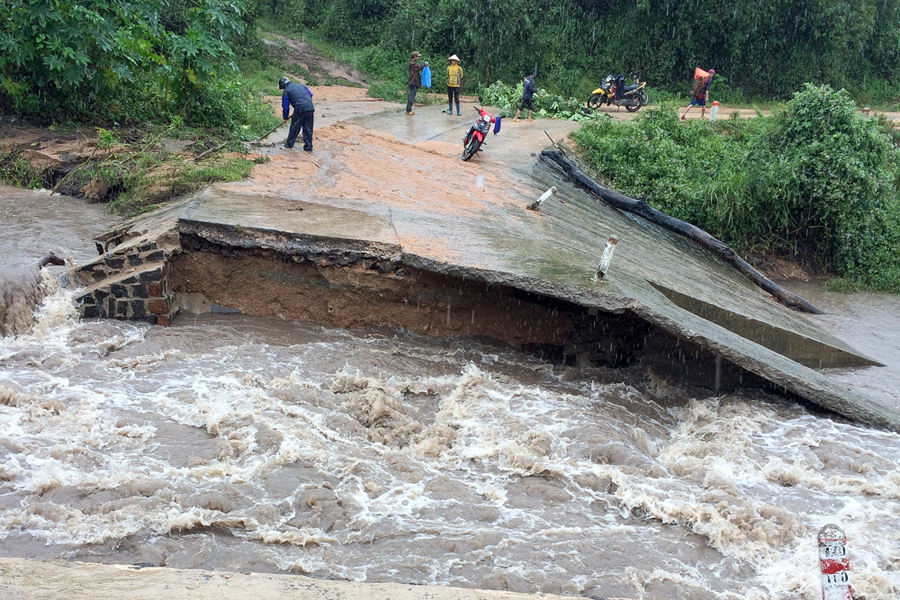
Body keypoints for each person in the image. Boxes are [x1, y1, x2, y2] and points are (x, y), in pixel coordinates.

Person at [280, 76, 315, 152]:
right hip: (310, 108)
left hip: (300, 109)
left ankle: (288, 146)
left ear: (283, 86)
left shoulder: (287, 91)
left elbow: (286, 107)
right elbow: (310, 94)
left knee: (294, 128)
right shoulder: (301, 86)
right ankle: (308, 148)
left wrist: (285, 117)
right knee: (308, 129)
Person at [406, 51, 427, 115]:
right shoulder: (412, 64)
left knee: (412, 96)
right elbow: (418, 66)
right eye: (417, 56)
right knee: (411, 96)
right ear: (414, 57)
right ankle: (408, 110)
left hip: (414, 82)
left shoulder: (413, 63)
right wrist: (424, 64)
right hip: (413, 82)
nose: (418, 58)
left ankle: (409, 109)